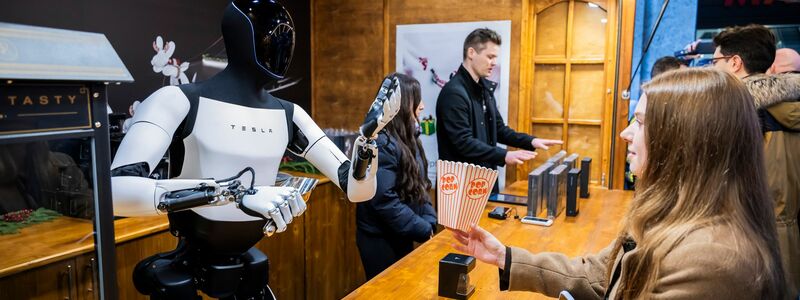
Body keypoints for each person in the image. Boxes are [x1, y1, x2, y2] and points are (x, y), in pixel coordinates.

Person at [109, 1, 402, 298]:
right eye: (275, 34)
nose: (282, 44)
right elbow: (117, 190)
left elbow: (356, 189)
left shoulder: (290, 114)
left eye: (288, 36)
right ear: (240, 35)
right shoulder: (177, 100)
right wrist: (235, 194)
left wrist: (367, 144)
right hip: (189, 261)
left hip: (247, 264)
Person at [451, 69, 786, 299]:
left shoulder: (711, 260)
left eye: (639, 122)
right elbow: (604, 273)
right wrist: (505, 256)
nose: (625, 134)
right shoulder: (675, 214)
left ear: (683, 141)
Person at [712, 24, 800, 296]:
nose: (712, 68)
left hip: (750, 241)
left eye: (715, 61)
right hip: (789, 242)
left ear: (735, 62)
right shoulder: (790, 106)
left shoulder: (739, 113)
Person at [436, 28, 561, 193]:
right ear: (471, 53)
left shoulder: (484, 89)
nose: (494, 63)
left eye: (495, 57)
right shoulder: (453, 93)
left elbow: (499, 129)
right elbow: (463, 143)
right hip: (459, 189)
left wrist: (531, 141)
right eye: (490, 56)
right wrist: (504, 156)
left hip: (483, 182)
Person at [355, 73, 437, 280]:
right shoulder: (381, 143)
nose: (422, 106)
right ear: (401, 104)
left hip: (402, 232)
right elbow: (383, 200)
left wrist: (429, 220)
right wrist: (421, 227)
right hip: (380, 239)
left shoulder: (409, 138)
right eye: (417, 100)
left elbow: (419, 185)